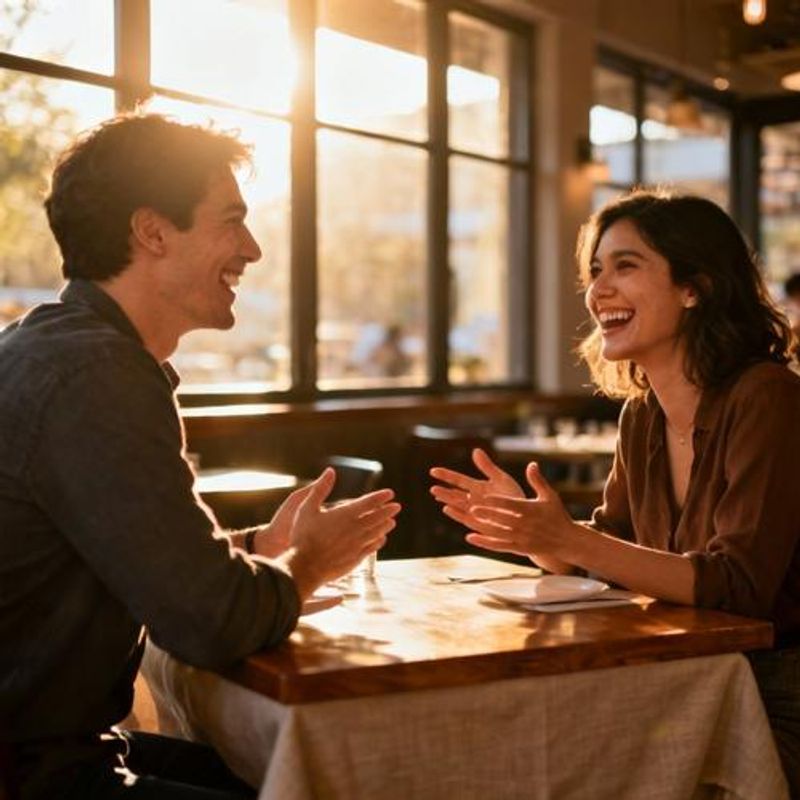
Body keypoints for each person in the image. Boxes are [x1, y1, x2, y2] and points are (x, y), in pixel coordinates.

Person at [0, 114, 400, 800]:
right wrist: (307, 565)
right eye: (231, 221)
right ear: (152, 231)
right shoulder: (94, 375)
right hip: (35, 776)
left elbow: (121, 555)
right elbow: (209, 622)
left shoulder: (52, 348)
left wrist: (257, 547)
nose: (252, 249)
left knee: (301, 773)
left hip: (52, 749)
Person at [430, 190, 800, 794]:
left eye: (626, 266)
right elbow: (616, 549)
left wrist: (573, 540)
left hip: (775, 692)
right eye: (595, 271)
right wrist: (541, 538)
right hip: (681, 676)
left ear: (695, 287)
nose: (598, 289)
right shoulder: (643, 416)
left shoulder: (768, 397)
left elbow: (741, 589)